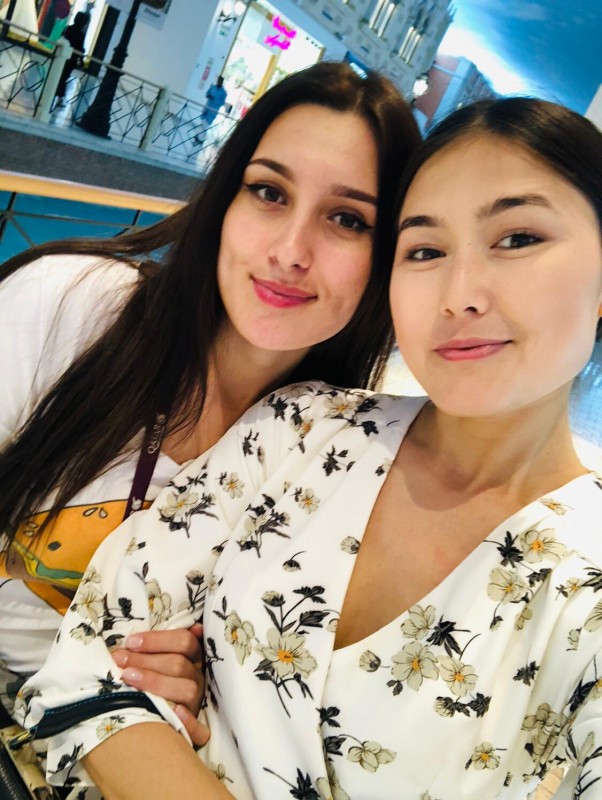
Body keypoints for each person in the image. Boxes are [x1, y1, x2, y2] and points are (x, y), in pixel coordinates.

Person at [17, 95, 602, 799]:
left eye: (518, 238)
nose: (460, 294)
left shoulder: (586, 583)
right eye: (424, 250)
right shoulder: (300, 427)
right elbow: (90, 670)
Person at [0, 61, 420, 743]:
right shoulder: (74, 308)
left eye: (347, 219)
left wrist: (195, 678)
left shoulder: (330, 457)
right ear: (225, 200)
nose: (291, 251)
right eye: (269, 192)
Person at [54, 11, 90, 109]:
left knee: (58, 76)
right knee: (63, 79)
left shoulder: (68, 29)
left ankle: (55, 95)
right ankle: (59, 98)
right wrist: (81, 61)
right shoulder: (80, 34)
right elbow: (80, 50)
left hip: (61, 56)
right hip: (71, 60)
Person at [194, 76, 228, 145]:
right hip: (207, 107)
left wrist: (214, 100)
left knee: (206, 124)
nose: (218, 82)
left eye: (220, 81)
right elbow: (207, 93)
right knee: (202, 122)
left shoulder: (223, 93)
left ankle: (201, 138)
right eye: (218, 80)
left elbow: (222, 103)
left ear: (222, 82)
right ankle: (199, 137)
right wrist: (208, 96)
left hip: (213, 111)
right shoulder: (213, 87)